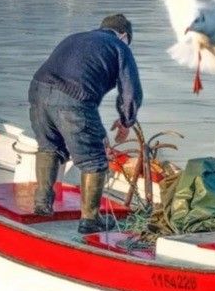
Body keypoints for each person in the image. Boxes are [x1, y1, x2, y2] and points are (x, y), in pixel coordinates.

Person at [28, 13, 143, 234]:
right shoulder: (120, 47)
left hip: (37, 91)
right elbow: (131, 91)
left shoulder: (76, 37)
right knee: (94, 160)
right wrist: (126, 121)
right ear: (124, 35)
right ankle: (90, 220)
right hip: (73, 98)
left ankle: (42, 203)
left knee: (49, 147)